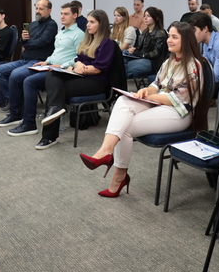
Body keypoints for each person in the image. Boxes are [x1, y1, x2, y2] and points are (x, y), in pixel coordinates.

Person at [78, 21, 209, 197]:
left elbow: (180, 99)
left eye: (174, 37)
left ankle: (118, 177)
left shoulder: (194, 66)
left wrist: (151, 97)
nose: (169, 40)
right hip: (159, 104)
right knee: (123, 101)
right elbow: (156, 83)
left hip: (179, 113)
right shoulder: (170, 61)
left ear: (186, 40)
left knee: (124, 128)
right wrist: (147, 90)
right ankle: (105, 152)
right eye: (169, 36)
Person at [0, 2, 84, 135]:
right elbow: (56, 53)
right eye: (61, 14)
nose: (62, 16)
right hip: (49, 65)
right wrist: (47, 61)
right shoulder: (61, 33)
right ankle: (17, 115)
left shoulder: (79, 34)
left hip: (62, 70)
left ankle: (29, 123)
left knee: (28, 81)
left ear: (75, 15)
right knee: (15, 76)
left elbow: (79, 58)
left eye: (66, 14)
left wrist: (61, 65)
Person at [38, 10, 116, 150]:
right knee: (52, 75)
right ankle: (55, 110)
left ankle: (49, 136)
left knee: (56, 90)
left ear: (101, 24)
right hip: (81, 75)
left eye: (92, 22)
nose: (88, 25)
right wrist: (78, 65)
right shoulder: (88, 39)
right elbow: (78, 58)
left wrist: (82, 68)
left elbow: (98, 68)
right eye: (88, 22)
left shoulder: (107, 43)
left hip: (96, 82)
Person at [0, 0, 57, 111]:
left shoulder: (51, 25)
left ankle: (15, 104)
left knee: (15, 74)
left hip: (38, 61)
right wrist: (23, 39)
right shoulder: (33, 24)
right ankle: (13, 99)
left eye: (41, 9)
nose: (38, 11)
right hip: (25, 59)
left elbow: (42, 42)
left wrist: (26, 44)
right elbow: (22, 42)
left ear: (49, 10)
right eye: (36, 8)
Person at [125, 7, 167, 79]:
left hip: (153, 62)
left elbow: (156, 54)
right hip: (143, 57)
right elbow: (141, 48)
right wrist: (134, 49)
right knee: (122, 57)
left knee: (128, 67)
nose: (145, 18)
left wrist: (142, 54)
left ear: (156, 18)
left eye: (148, 16)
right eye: (144, 16)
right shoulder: (145, 32)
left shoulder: (160, 33)